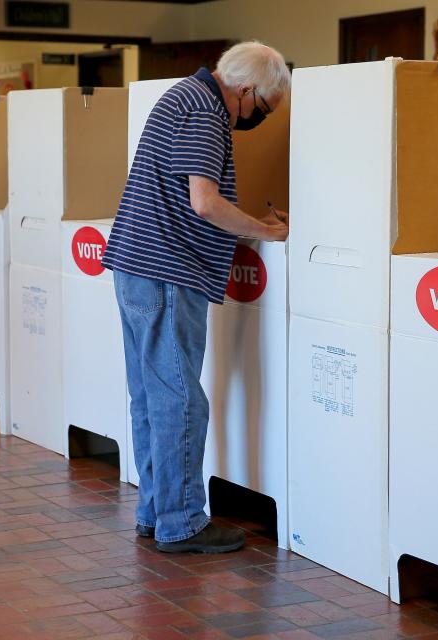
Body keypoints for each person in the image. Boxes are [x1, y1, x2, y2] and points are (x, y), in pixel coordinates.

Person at [101, 42, 291, 553]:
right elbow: (204, 202)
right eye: (262, 110)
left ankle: (154, 512)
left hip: (134, 265)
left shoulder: (181, 95)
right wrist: (265, 232)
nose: (255, 120)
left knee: (150, 396)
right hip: (165, 271)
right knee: (181, 398)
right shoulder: (207, 111)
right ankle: (183, 520)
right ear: (246, 90)